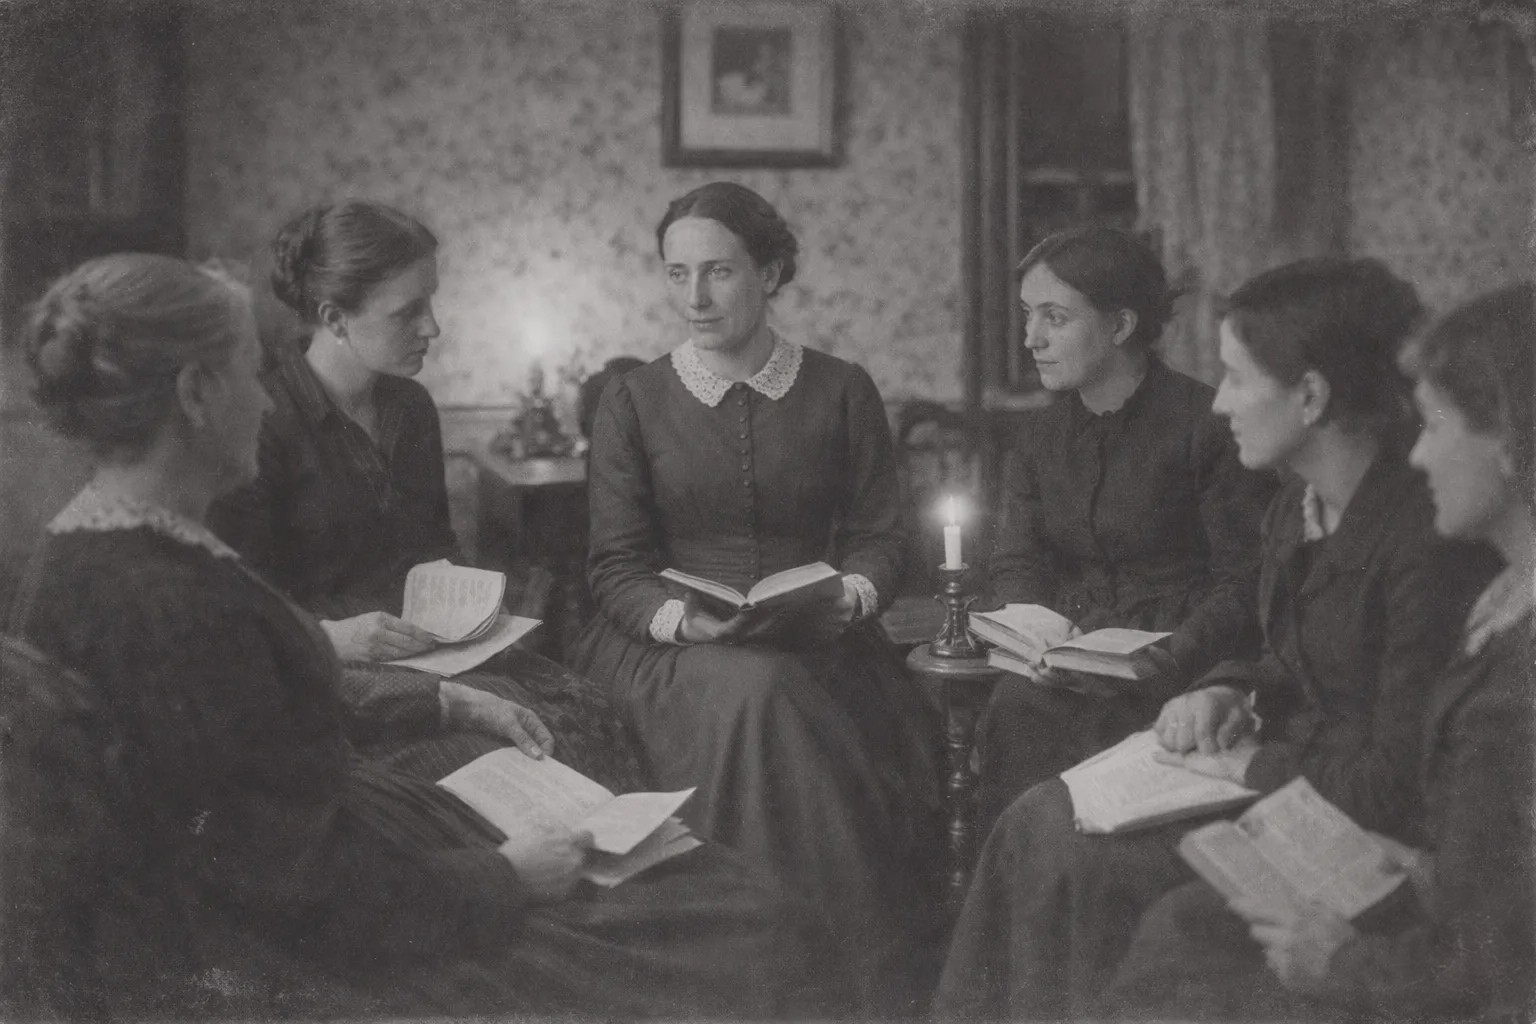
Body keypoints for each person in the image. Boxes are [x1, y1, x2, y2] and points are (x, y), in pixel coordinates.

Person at [12, 252, 828, 1019]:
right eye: (251, 373)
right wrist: (508, 875)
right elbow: (298, 891)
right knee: (741, 928)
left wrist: (444, 708)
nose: (266, 401)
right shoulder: (163, 603)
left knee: (697, 885)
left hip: (306, 874)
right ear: (196, 393)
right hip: (279, 952)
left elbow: (256, 722)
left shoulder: (103, 547)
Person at [935, 257, 1501, 1020]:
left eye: (1236, 379)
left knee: (1078, 861)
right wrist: (1231, 687)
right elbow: (1288, 653)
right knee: (1039, 817)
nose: (1221, 402)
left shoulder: (1422, 541)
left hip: (1358, 835)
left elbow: (1397, 784)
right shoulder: (1297, 505)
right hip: (1289, 787)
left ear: (1310, 396)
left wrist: (1250, 762)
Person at [1108, 283, 1535, 1022]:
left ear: (1505, 439)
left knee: (1180, 950)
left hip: (1430, 971)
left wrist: (1342, 962)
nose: (1420, 452)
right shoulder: (1504, 610)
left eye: (1435, 423)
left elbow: (1501, 967)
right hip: (1422, 894)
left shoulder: (1505, 663)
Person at [568, 181, 944, 1012]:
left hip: (820, 633)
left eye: (718, 273)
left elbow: (885, 538)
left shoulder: (843, 388)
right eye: (676, 275)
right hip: (668, 647)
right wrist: (679, 619)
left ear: (770, 272)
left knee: (791, 690)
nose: (694, 298)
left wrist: (851, 594)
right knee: (759, 690)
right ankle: (776, 979)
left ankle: (827, 979)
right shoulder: (632, 401)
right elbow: (615, 565)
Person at [208, 201, 639, 791]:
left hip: (435, 653)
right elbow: (237, 608)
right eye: (408, 311)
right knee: (507, 761)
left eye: (431, 302)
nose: (432, 327)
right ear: (334, 318)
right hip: (335, 680)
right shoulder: (263, 422)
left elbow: (435, 548)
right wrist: (335, 636)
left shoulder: (411, 409)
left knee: (585, 714)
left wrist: (479, 605)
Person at [974, 226, 1276, 823]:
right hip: (1064, 660)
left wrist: (1171, 659)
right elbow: (1019, 560)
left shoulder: (1208, 426)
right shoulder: (1039, 436)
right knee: (1013, 708)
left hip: (1180, 667)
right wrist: (1030, 635)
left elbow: (1244, 581)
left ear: (1120, 326)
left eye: (1054, 318)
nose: (1031, 338)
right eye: (1028, 315)